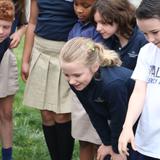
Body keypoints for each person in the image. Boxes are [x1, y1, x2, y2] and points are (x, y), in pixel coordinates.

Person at [59, 37, 135, 160]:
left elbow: (118, 119)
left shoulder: (112, 85)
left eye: (77, 75)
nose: (71, 81)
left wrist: (116, 150)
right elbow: (93, 113)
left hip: (140, 117)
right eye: (66, 75)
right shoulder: (76, 82)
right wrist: (107, 143)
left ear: (94, 67)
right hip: (122, 120)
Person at [21, 0, 77, 160]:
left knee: (62, 115)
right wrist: (25, 60)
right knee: (46, 114)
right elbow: (32, 23)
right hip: (41, 52)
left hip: (66, 55)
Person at [118, 0, 160, 159]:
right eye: (144, 33)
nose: (150, 39)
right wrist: (127, 126)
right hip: (146, 142)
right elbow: (139, 92)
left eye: (155, 32)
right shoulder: (147, 52)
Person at [68, 0, 103, 159]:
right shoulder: (76, 27)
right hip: (79, 94)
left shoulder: (99, 29)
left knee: (99, 141)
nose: (79, 10)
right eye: (76, 5)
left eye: (85, 6)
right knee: (83, 139)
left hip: (97, 91)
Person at [0, 0, 27, 160]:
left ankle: (7, 157)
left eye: (5, 27)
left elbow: (26, 23)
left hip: (4, 59)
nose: (2, 31)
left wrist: (19, 32)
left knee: (6, 113)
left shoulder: (19, 3)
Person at [91, 0, 147, 70]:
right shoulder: (107, 39)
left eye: (103, 23)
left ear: (119, 17)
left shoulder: (143, 39)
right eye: (96, 23)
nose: (98, 28)